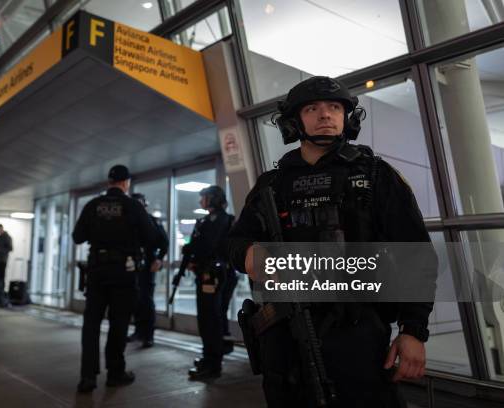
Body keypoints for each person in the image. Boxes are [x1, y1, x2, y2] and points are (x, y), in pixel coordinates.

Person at [228, 76, 435, 407]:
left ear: (347, 118)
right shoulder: (272, 184)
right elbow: (235, 243)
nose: (325, 115)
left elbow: (416, 256)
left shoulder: (375, 176)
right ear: (294, 123)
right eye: (313, 108)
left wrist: (413, 330)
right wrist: (250, 254)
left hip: (356, 329)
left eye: (334, 107)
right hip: (283, 332)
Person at [73, 164, 159, 392]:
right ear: (126, 183)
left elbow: (78, 237)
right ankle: (115, 373)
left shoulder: (93, 205)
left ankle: (87, 377)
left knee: (91, 324)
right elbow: (151, 236)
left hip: (96, 272)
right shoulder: (132, 206)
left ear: (109, 182)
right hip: (123, 272)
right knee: (118, 324)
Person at [185, 185, 235, 380]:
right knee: (214, 317)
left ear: (213, 199)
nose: (200, 202)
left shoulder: (217, 221)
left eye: (204, 198)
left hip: (212, 276)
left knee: (209, 319)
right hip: (217, 275)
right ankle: (212, 356)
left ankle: (212, 363)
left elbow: (209, 247)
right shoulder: (222, 220)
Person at [127, 193, 169, 348]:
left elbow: (164, 242)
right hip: (131, 266)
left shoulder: (152, 221)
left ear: (144, 206)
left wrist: (159, 259)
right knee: (135, 300)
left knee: (146, 300)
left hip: (147, 265)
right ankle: (138, 331)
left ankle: (148, 335)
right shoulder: (128, 221)